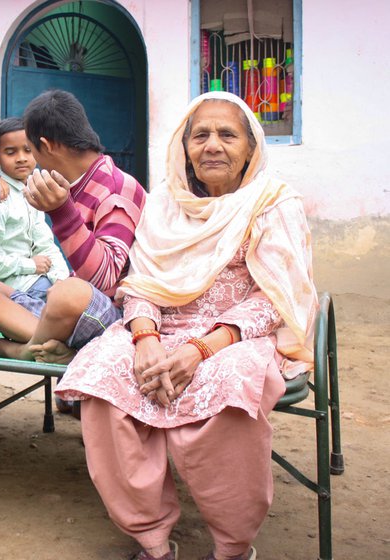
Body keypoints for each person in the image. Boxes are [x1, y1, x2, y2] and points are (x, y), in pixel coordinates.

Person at [55, 92, 318, 560]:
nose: (212, 145)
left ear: (251, 147)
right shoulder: (164, 205)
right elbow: (141, 283)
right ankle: (152, 540)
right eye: (201, 135)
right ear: (185, 146)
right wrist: (145, 339)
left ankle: (233, 548)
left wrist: (200, 349)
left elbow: (276, 296)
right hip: (160, 327)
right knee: (102, 376)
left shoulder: (274, 203)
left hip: (237, 335)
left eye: (227, 135)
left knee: (230, 390)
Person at [0, 89, 146, 365]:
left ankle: (28, 350)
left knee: (67, 293)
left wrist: (61, 212)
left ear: (45, 146)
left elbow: (104, 279)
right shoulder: (75, 183)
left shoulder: (117, 188)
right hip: (65, 308)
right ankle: (52, 348)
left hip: (112, 315)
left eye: (30, 149)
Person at [0, 116, 68, 307]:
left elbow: (45, 244)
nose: (21, 158)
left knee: (77, 294)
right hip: (11, 286)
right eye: (11, 152)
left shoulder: (32, 191)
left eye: (28, 150)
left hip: (37, 279)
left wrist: (62, 280)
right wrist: (31, 265)